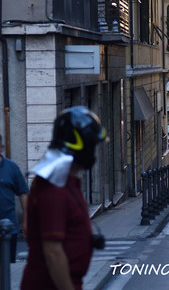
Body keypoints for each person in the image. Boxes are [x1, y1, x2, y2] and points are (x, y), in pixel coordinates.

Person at [21, 106, 107, 290]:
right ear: (81, 144)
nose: (93, 153)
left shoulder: (65, 180)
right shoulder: (54, 187)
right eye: (92, 145)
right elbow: (52, 252)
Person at [0, 134, 29, 263]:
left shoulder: (11, 168)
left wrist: (26, 220)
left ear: (1, 148)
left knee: (7, 267)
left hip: (8, 228)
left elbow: (23, 193)